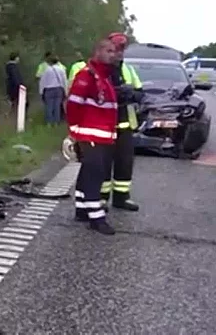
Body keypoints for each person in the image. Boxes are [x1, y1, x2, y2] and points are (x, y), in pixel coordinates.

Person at [66, 38, 119, 235]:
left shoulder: (104, 77)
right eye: (108, 50)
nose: (112, 54)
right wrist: (75, 133)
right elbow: (73, 105)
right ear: (97, 52)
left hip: (102, 136)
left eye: (114, 51)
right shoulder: (87, 76)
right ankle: (96, 218)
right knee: (94, 175)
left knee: (88, 172)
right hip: (90, 136)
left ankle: (81, 208)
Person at [100, 32, 143, 212]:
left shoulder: (128, 69)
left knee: (124, 163)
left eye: (121, 50)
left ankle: (121, 198)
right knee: (102, 164)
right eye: (116, 50)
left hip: (124, 126)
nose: (118, 54)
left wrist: (131, 94)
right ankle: (100, 199)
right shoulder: (97, 69)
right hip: (103, 126)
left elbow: (141, 93)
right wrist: (114, 93)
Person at [39, 54, 67, 125]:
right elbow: (64, 80)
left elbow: (43, 81)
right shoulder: (61, 69)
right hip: (58, 89)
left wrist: (41, 91)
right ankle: (56, 122)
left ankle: (49, 122)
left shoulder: (47, 70)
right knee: (57, 106)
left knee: (49, 106)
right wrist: (66, 91)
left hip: (49, 89)